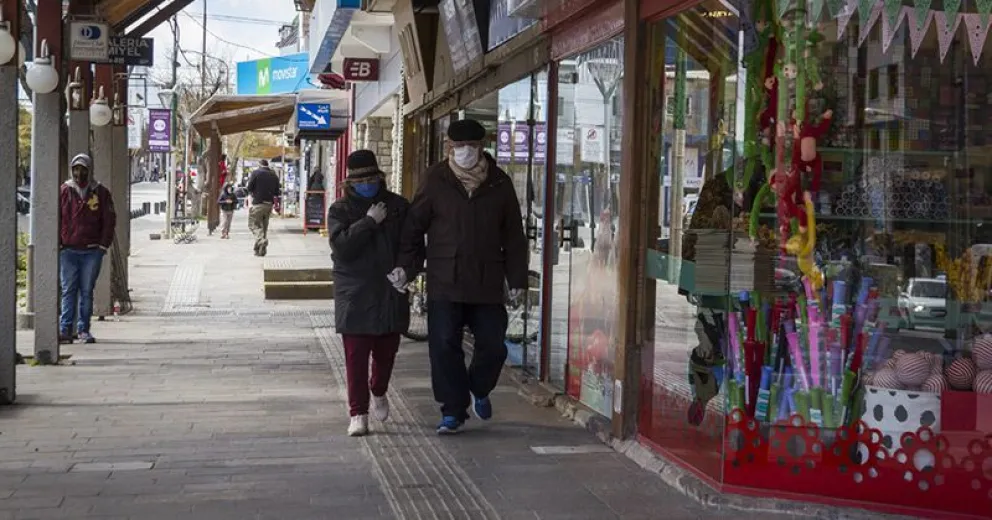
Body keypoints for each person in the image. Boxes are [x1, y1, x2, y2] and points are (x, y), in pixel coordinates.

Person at [392, 119, 529, 434]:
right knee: (443, 346)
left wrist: (517, 279)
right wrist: (406, 268)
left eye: (471, 146)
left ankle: (479, 387)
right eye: (458, 146)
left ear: (482, 147)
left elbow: (514, 236)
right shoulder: (435, 179)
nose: (465, 151)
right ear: (449, 147)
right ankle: (453, 410)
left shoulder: (499, 183)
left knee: (493, 346)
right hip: (445, 278)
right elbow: (413, 228)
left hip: (487, 281)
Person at [327, 151, 410, 437]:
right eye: (360, 181)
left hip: (390, 289)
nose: (367, 185)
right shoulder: (340, 210)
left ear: (379, 178)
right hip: (355, 291)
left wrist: (406, 270)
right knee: (356, 357)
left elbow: (411, 245)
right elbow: (342, 248)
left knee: (386, 354)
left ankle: (379, 389)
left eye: (371, 179)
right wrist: (369, 222)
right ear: (350, 182)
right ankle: (358, 413)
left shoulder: (398, 206)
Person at [59, 153, 116, 344]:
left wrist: (102, 246)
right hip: (68, 250)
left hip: (92, 251)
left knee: (86, 291)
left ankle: (83, 329)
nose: (79, 173)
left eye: (83, 169)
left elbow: (109, 220)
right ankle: (65, 329)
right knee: (68, 290)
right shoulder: (65, 191)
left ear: (89, 170)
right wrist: (60, 242)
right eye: (75, 169)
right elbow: (56, 216)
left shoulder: (100, 193)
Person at [245, 159, 280, 256]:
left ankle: (261, 240)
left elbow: (249, 188)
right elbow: (277, 192)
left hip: (258, 203)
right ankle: (260, 250)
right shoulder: (274, 175)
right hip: (269, 204)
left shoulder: (256, 173)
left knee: (253, 224)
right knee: (263, 227)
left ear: (259, 165)